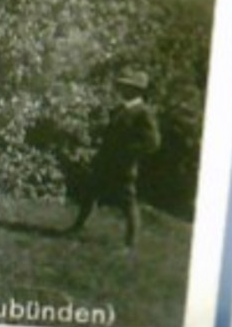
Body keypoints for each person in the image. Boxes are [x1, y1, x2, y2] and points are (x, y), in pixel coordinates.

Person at [67, 69, 161, 249]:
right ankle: (79, 226)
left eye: (127, 87)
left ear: (137, 90)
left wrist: (128, 152)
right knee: (90, 192)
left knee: (128, 202)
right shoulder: (120, 109)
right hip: (106, 162)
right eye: (122, 86)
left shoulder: (143, 112)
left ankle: (130, 243)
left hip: (124, 165)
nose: (122, 89)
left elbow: (152, 142)